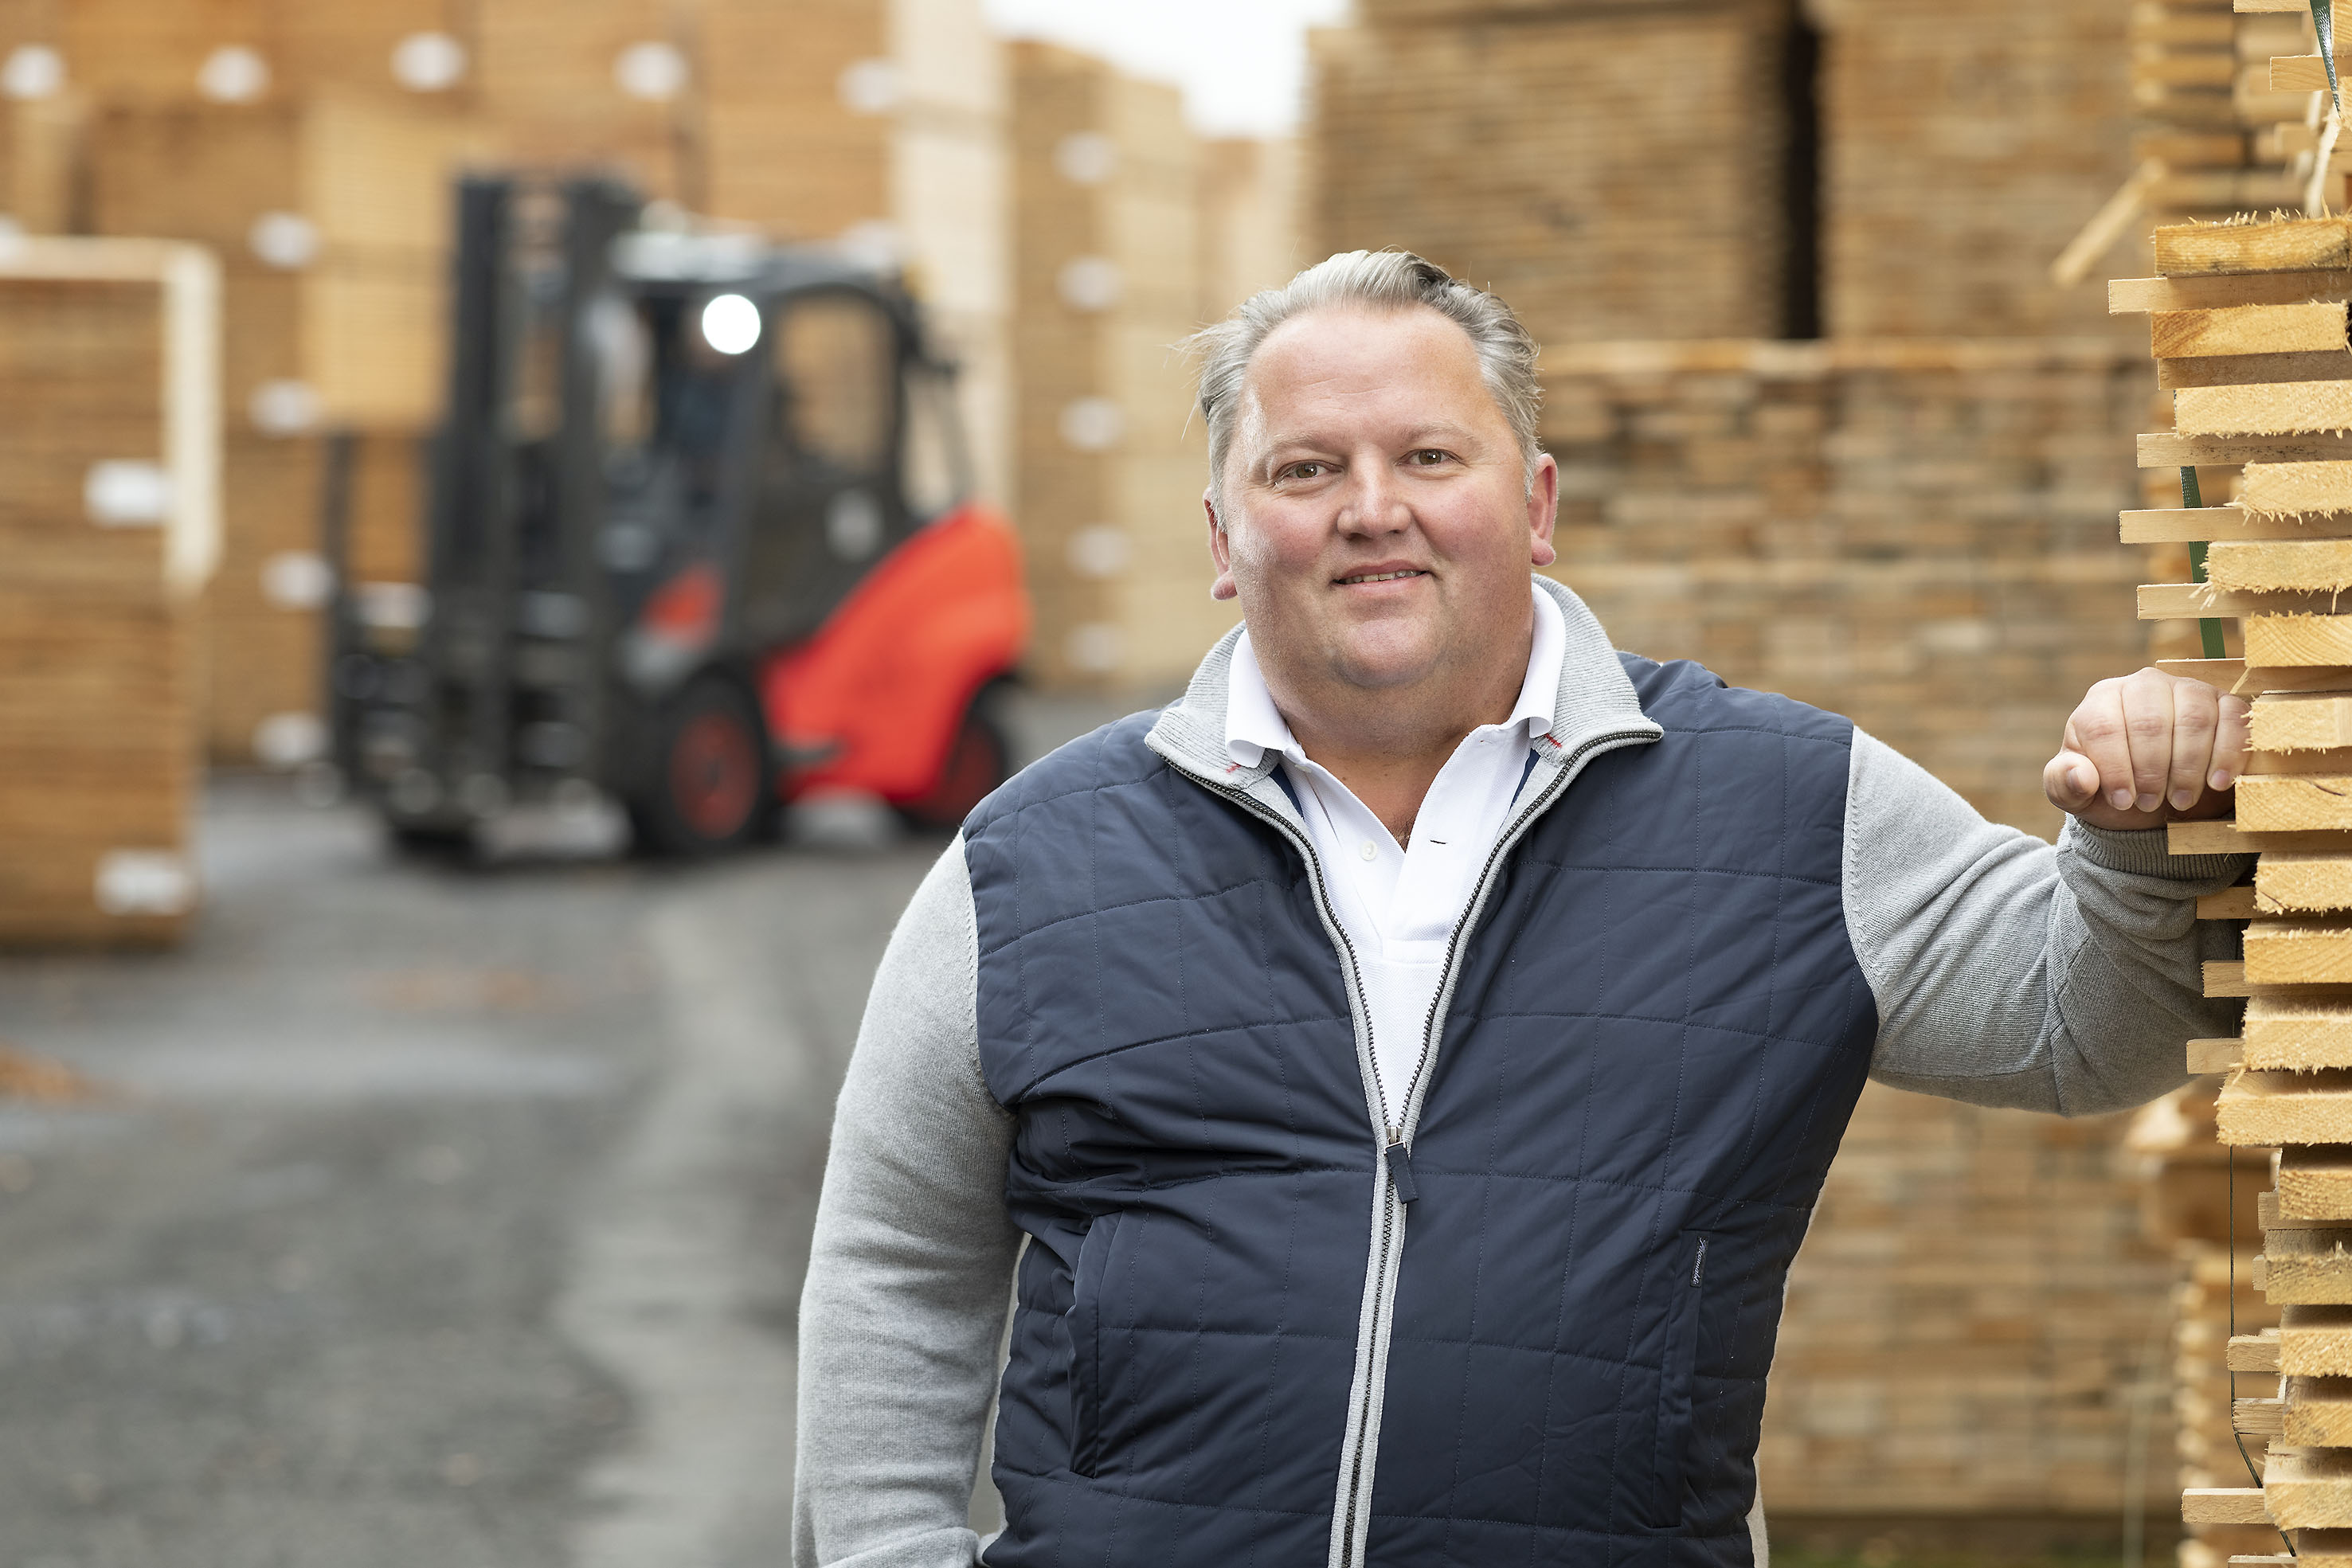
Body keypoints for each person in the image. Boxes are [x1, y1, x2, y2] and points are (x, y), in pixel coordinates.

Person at [791, 252, 2249, 1567]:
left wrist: (2130, 836)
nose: (1372, 510)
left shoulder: (1789, 810)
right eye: (1304, 470)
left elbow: (2081, 1030)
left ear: (1534, 504)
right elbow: (896, 1263)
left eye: (1429, 454)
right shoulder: (1029, 863)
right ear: (1225, 538)